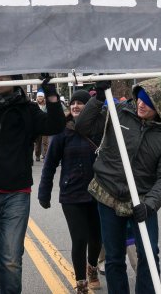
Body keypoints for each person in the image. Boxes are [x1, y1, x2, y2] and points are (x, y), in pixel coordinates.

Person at [0, 75, 65, 294]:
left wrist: (51, 93)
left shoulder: (28, 109)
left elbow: (55, 125)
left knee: (11, 259)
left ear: (15, 80)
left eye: (3, 75)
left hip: (16, 195)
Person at [76, 79, 161, 294]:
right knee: (114, 257)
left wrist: (150, 204)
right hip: (108, 194)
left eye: (148, 101)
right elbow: (83, 127)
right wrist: (98, 100)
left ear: (159, 105)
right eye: (140, 98)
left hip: (143, 200)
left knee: (149, 254)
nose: (141, 104)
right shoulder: (119, 112)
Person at [38, 89, 101, 294]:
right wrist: (44, 192)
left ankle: (92, 267)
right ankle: (81, 282)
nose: (75, 106)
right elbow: (49, 165)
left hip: (99, 193)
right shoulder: (63, 131)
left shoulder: (100, 128)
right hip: (71, 194)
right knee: (80, 238)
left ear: (89, 106)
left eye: (80, 103)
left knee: (96, 237)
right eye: (73, 103)